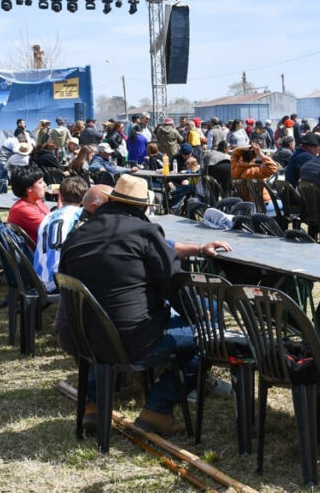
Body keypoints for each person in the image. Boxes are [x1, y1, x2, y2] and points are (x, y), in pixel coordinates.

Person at [58, 174, 228, 435]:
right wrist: (199, 317)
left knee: (104, 326)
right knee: (207, 335)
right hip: (130, 340)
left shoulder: (78, 235)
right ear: (142, 207)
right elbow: (174, 285)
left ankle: (93, 404)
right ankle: (158, 409)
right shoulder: (144, 232)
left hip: (77, 337)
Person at [33, 176, 89, 292]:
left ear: (61, 197)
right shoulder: (80, 216)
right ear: (84, 199)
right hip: (60, 281)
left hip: (39, 276)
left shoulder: (48, 216)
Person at [7, 165, 50, 243]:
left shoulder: (37, 201)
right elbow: (52, 230)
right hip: (36, 252)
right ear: (29, 188)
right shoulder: (22, 209)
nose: (45, 185)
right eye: (40, 182)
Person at [231, 144, 279, 211]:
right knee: (282, 203)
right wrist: (260, 154)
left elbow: (234, 154)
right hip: (261, 204)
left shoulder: (235, 169)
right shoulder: (255, 172)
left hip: (245, 203)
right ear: (255, 156)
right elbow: (274, 167)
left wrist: (242, 149)